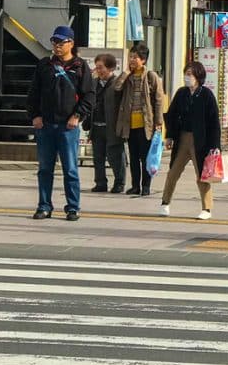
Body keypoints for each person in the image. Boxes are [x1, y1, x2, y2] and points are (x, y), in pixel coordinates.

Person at [27, 26, 95, 221]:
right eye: (54, 41)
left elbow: (89, 96)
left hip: (68, 127)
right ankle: (44, 206)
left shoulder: (80, 66)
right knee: (45, 169)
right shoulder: (44, 65)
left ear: (71, 44)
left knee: (70, 169)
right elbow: (33, 93)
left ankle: (73, 207)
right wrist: (34, 116)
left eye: (61, 42)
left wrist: (77, 116)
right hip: (46, 125)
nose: (57, 45)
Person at [158, 61, 221, 220]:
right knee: (173, 172)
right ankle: (165, 202)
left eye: (190, 75)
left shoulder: (206, 95)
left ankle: (206, 208)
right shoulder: (181, 93)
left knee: (202, 174)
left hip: (201, 140)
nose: (187, 78)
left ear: (198, 76)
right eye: (186, 74)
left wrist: (215, 146)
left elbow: (214, 122)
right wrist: (170, 135)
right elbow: (171, 115)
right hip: (182, 138)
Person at [114, 42, 165, 197]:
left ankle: (146, 186)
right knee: (134, 157)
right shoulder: (128, 76)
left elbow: (158, 100)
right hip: (130, 124)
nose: (132, 60)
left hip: (146, 124)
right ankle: (135, 185)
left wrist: (158, 122)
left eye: (135, 57)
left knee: (146, 157)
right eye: (130, 57)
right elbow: (116, 87)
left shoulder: (151, 76)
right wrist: (126, 72)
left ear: (143, 59)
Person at [90, 54, 126, 193]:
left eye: (101, 67)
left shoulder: (117, 83)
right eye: (97, 67)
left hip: (112, 126)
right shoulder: (94, 83)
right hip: (96, 125)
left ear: (110, 68)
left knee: (115, 156)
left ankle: (119, 182)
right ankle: (100, 182)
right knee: (98, 157)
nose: (98, 70)